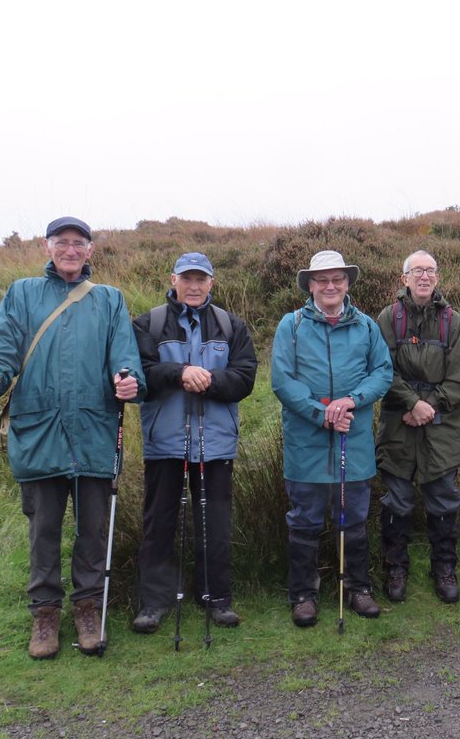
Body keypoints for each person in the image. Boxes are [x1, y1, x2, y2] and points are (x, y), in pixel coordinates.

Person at [0, 216, 145, 659]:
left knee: (94, 528)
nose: (71, 250)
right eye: (62, 242)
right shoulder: (22, 293)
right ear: (48, 247)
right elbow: (3, 344)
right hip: (39, 431)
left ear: (90, 251)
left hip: (94, 430)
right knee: (43, 529)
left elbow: (123, 354)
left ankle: (88, 608)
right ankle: (45, 614)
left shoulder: (110, 299)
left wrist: (128, 380)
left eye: (79, 243)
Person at [130, 252, 258, 633]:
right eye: (187, 278)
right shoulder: (148, 323)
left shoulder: (231, 325)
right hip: (164, 444)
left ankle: (216, 598)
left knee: (214, 524)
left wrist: (209, 381)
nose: (194, 286)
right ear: (174, 280)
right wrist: (179, 373)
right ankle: (154, 603)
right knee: (159, 525)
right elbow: (141, 375)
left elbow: (245, 378)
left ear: (212, 283)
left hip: (215, 444)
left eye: (201, 279)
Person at [271, 250, 394, 627]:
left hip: (352, 442)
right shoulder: (290, 326)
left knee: (354, 521)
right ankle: (303, 595)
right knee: (304, 522)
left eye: (337, 279)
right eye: (322, 279)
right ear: (310, 285)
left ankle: (358, 588)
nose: (330, 286)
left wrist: (351, 401)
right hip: (305, 444)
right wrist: (321, 414)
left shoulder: (367, 327)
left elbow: (382, 373)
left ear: (347, 284)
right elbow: (282, 381)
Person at [375, 250, 460, 604]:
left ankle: (445, 568)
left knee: (443, 499)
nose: (425, 277)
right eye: (417, 271)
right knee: (397, 500)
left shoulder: (453, 322)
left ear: (438, 277)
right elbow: (382, 370)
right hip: (398, 426)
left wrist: (427, 407)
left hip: (441, 428)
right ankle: (395, 569)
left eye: (431, 270)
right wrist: (412, 403)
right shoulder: (388, 318)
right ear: (404, 278)